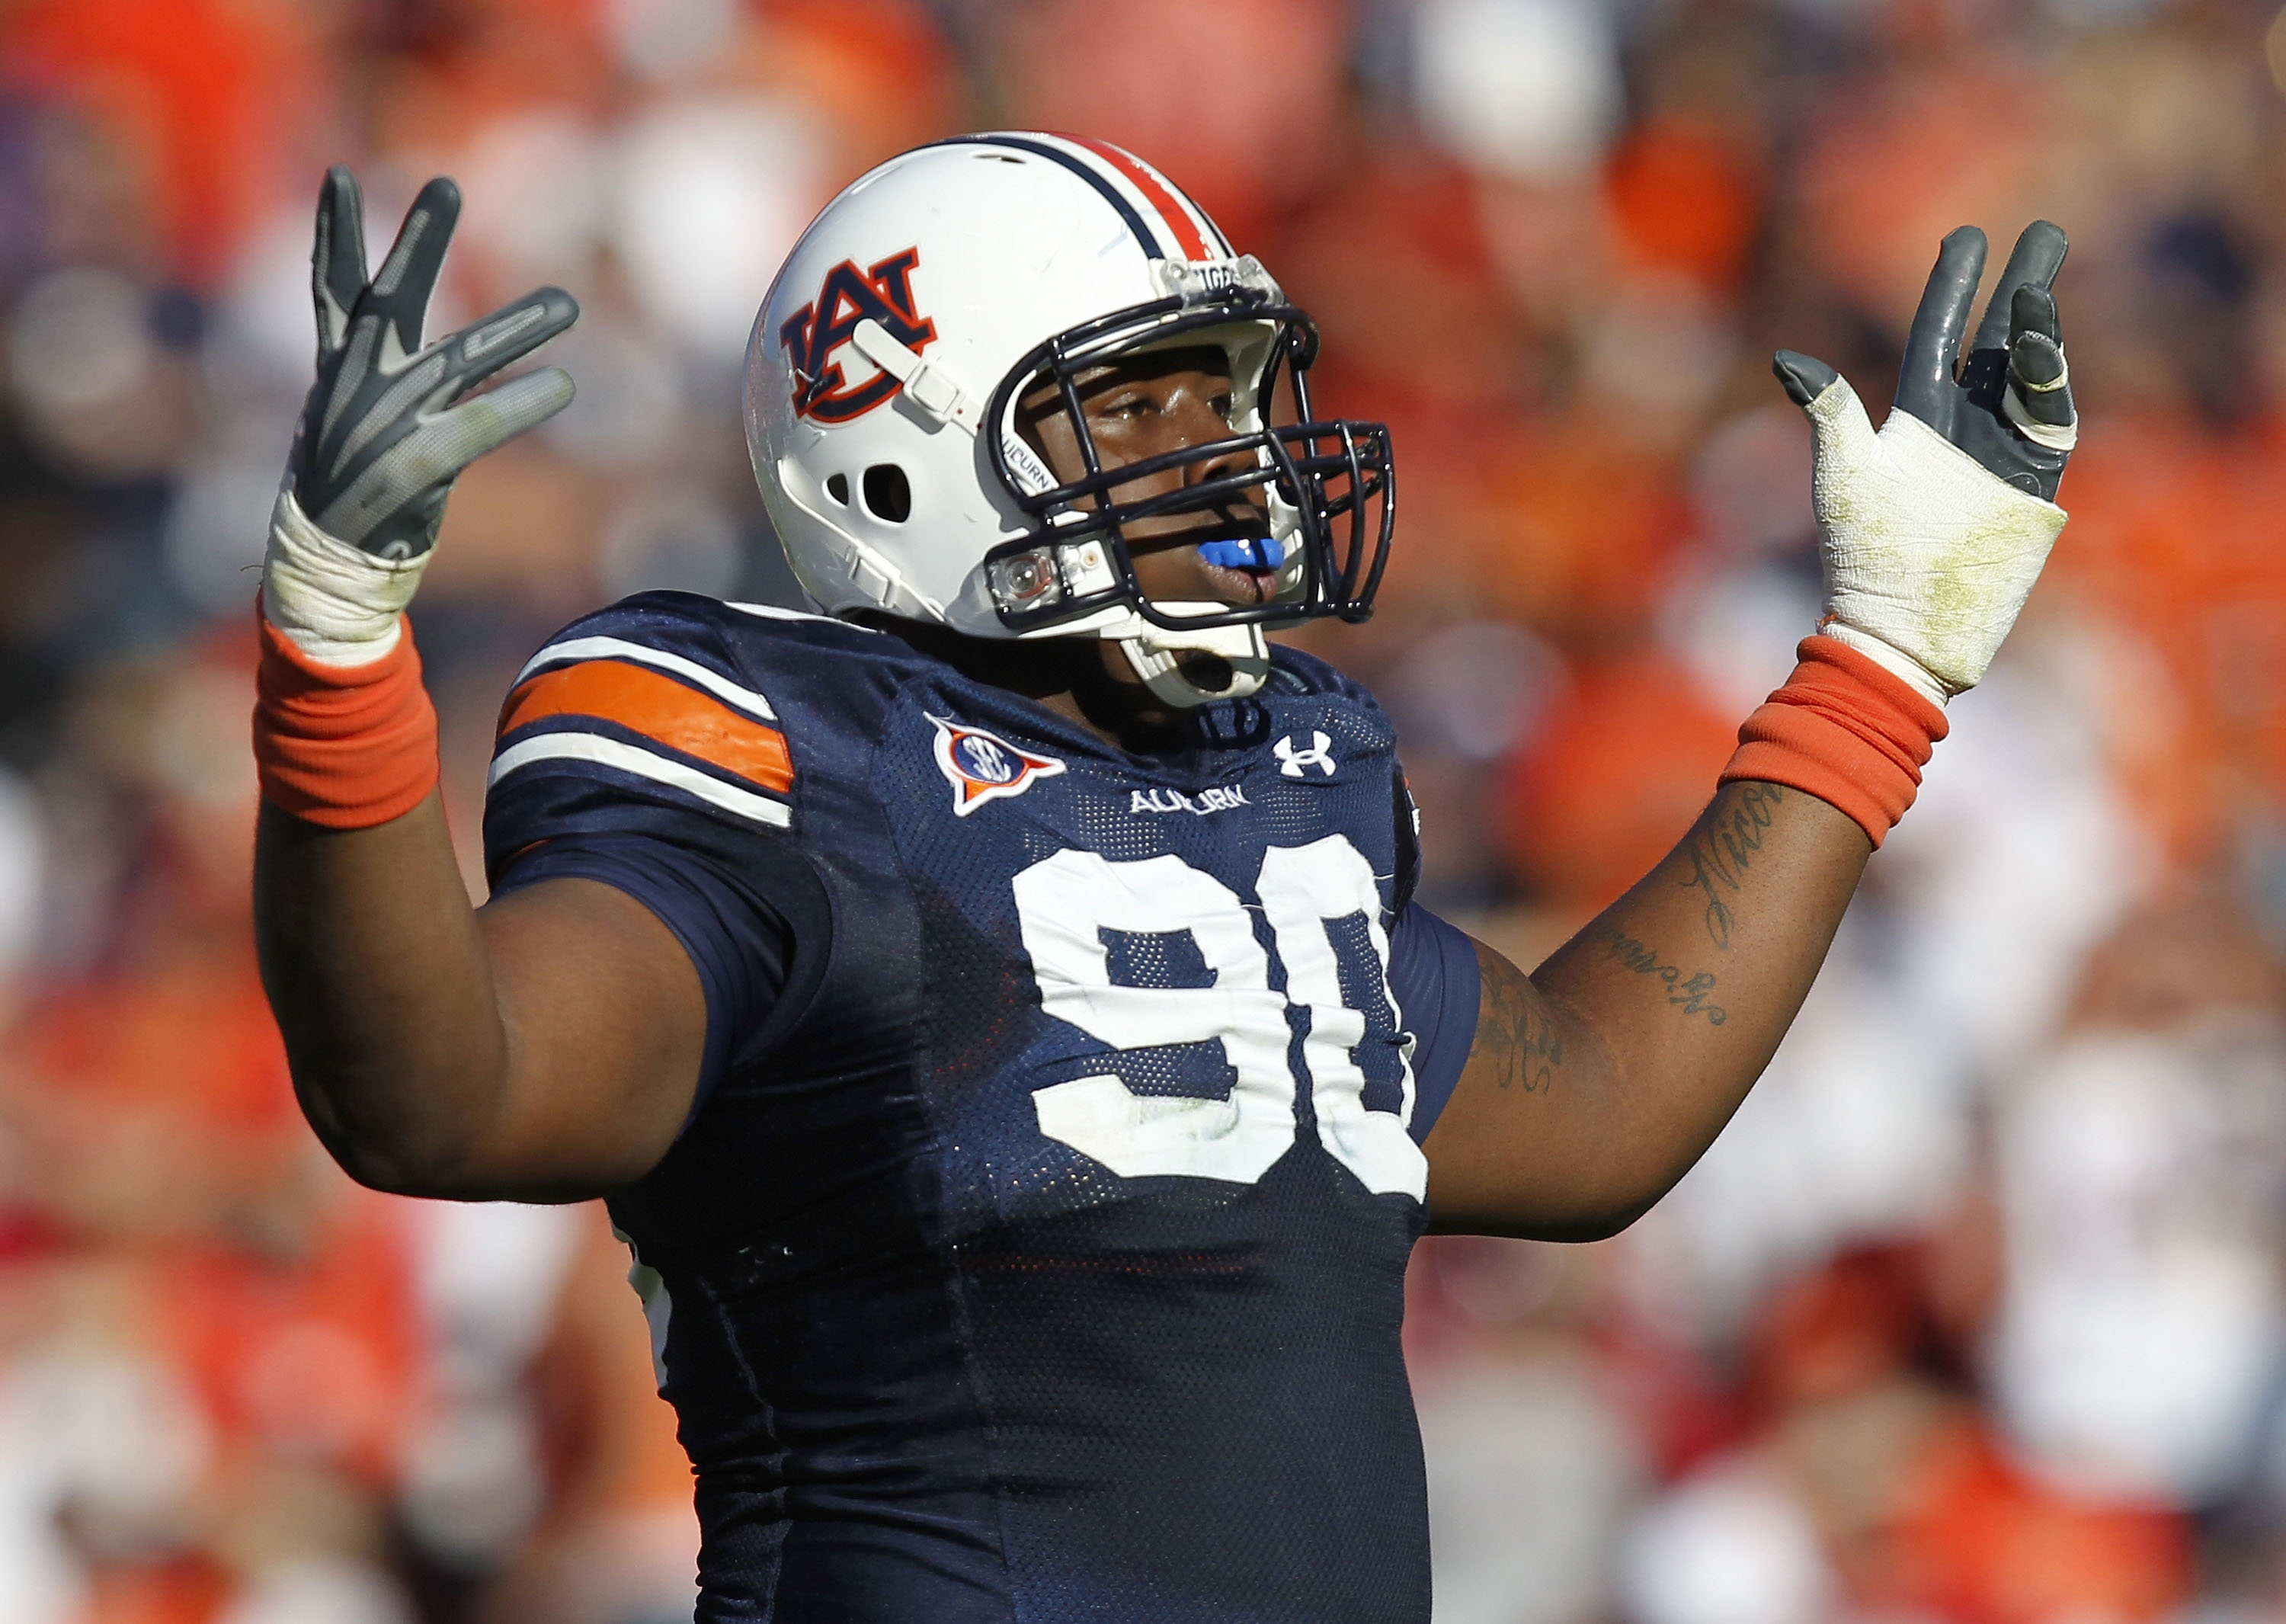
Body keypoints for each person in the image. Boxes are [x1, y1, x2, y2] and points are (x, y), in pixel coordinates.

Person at [249, 135, 2078, 1622]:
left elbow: (1598, 1107)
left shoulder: (1281, 772)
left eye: (1230, 398)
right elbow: (447, 1095)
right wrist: (339, 657)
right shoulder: (796, 753)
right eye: (1136, 412)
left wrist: (1883, 660)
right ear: (899, 458)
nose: (1230, 462)